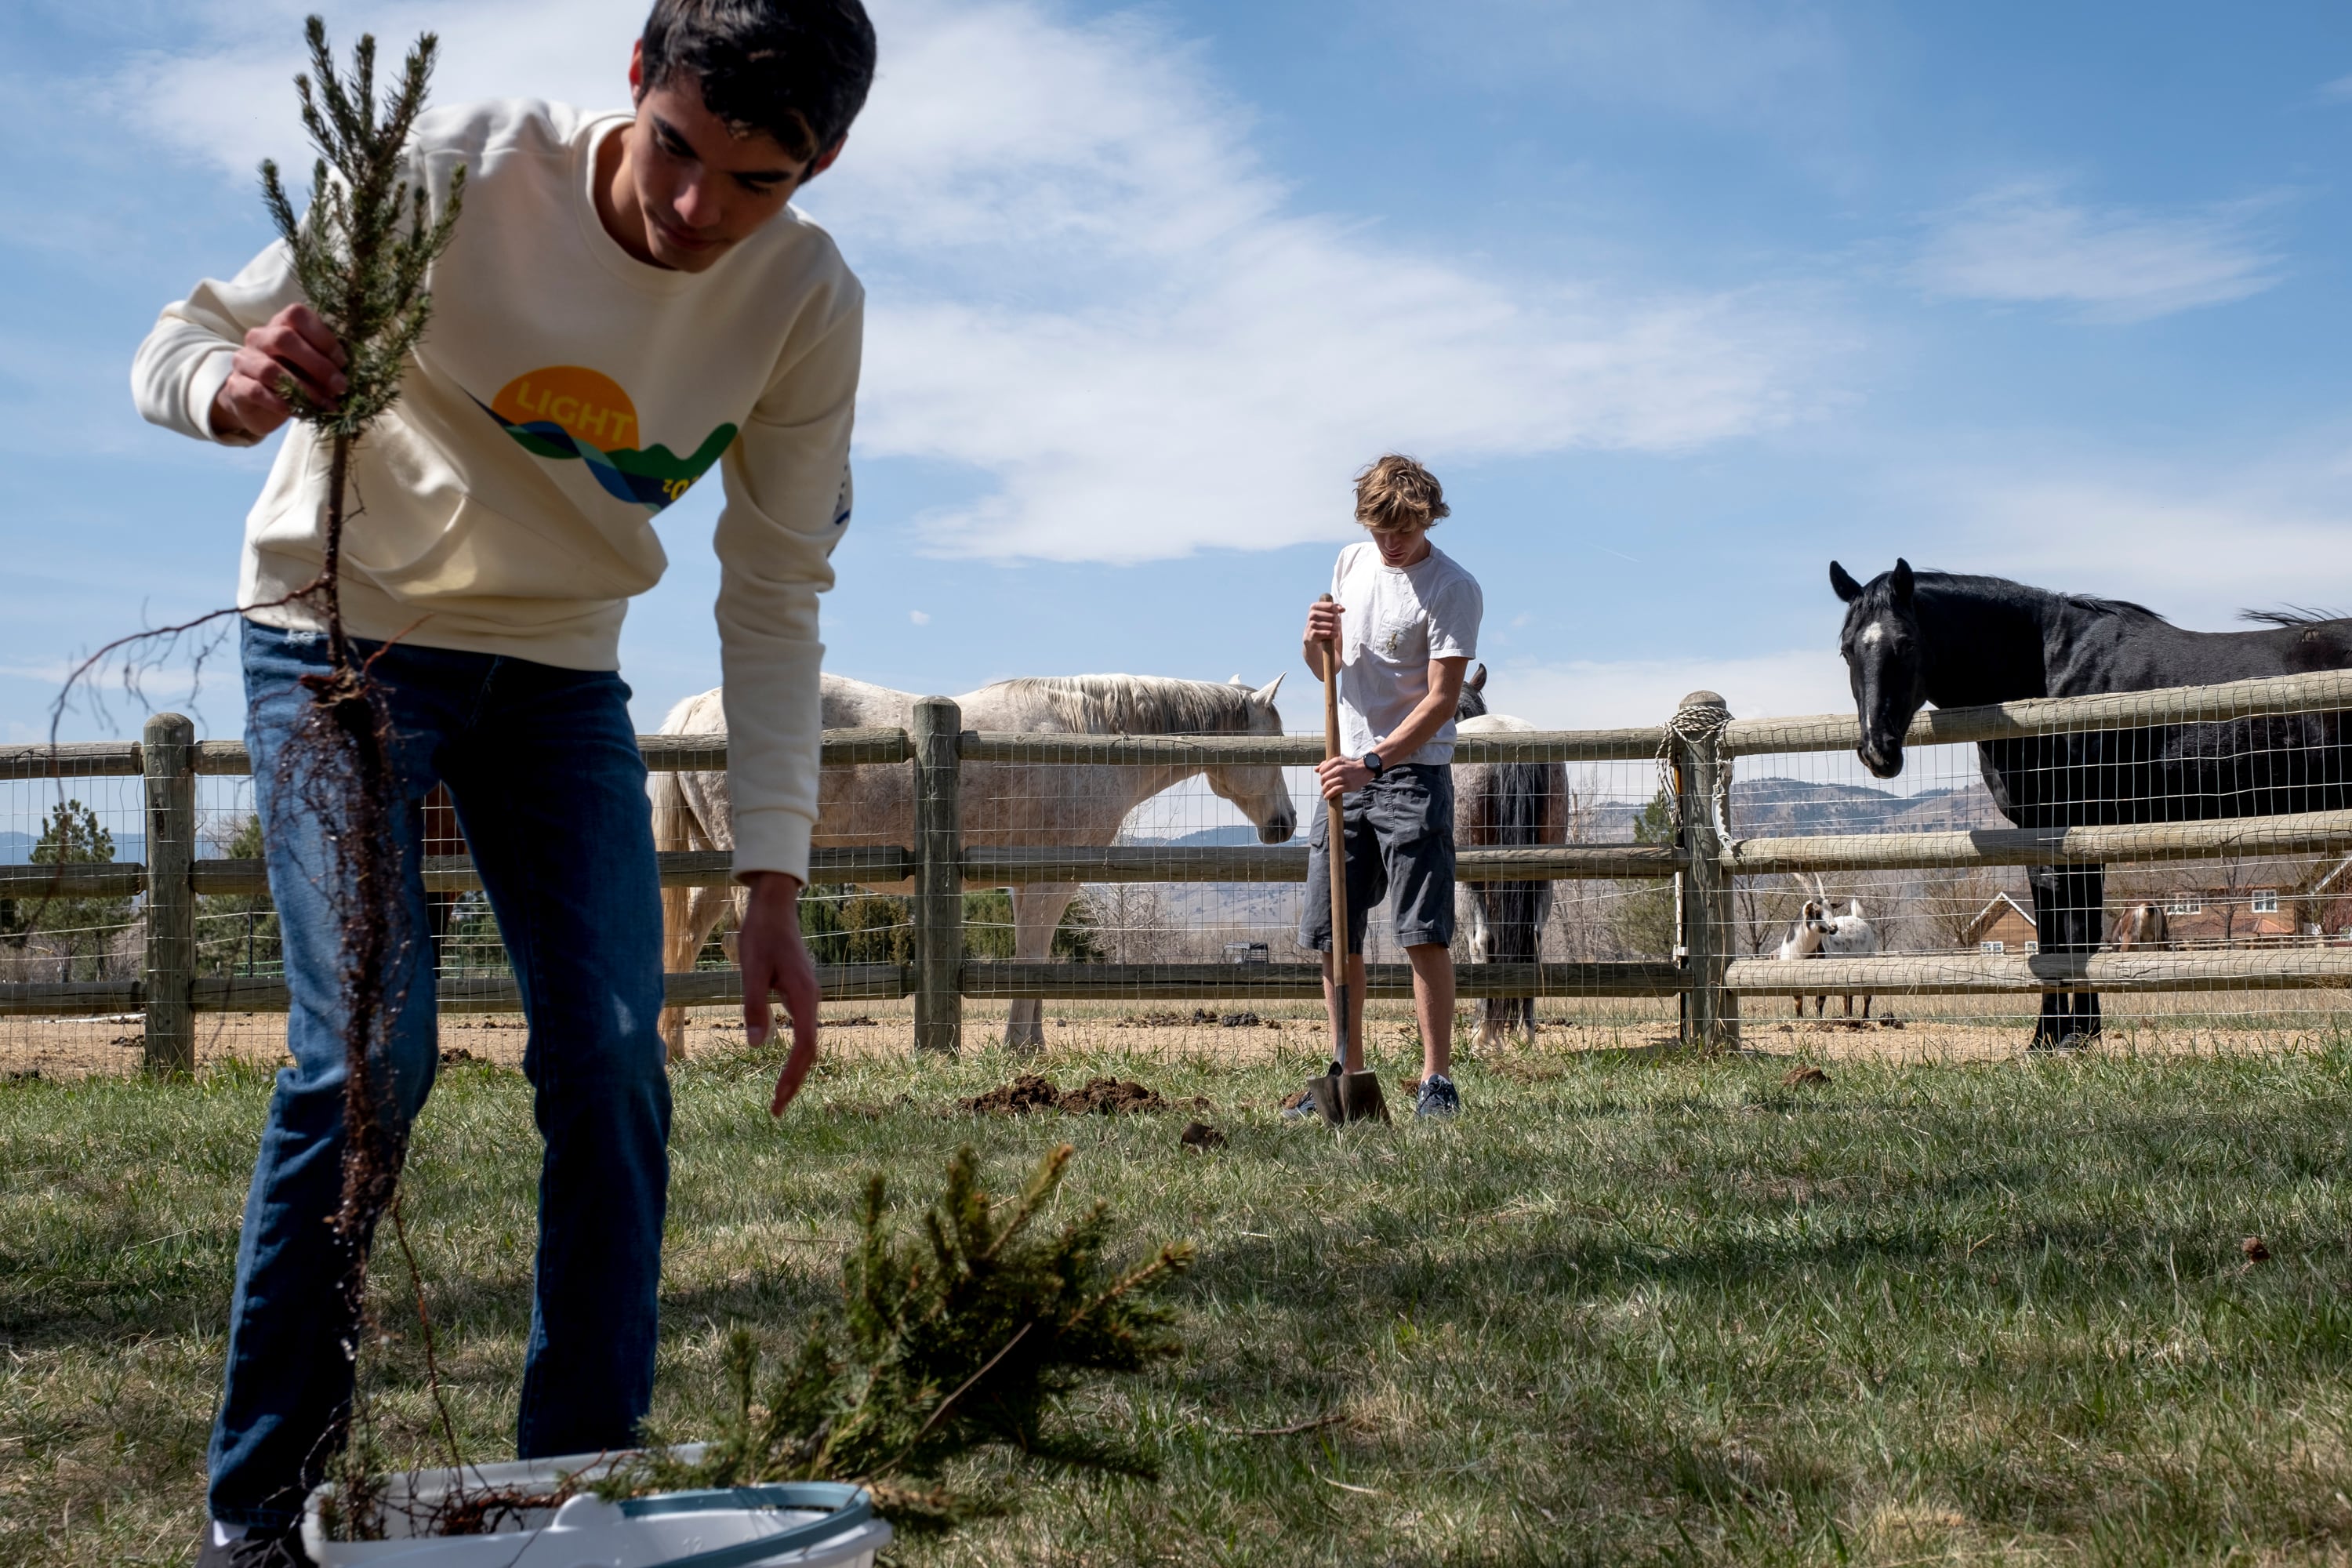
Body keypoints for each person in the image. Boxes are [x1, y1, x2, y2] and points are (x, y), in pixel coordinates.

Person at [129, 2, 877, 1561]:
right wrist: (239, 386)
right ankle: (257, 1517)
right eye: (678, 149)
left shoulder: (807, 302)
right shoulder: (454, 172)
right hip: (339, 643)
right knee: (369, 1059)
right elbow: (178, 343)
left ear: (824, 166)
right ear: (632, 85)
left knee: (613, 1058)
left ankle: (572, 1499)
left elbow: (775, 586)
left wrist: (772, 878)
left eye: (757, 182)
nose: (696, 213)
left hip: (557, 679)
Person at [1295, 454, 1483, 1120]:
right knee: (1333, 934)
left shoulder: (1453, 588)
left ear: (1428, 517)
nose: (1390, 543)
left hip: (1410, 776)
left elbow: (1440, 701)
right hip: (1341, 774)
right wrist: (1315, 641)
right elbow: (1328, 668)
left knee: (1422, 932)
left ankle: (1437, 1083)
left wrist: (1373, 762)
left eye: (1401, 530)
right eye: (1379, 531)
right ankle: (1345, 1073)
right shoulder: (1351, 563)